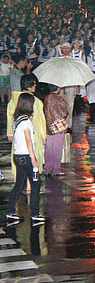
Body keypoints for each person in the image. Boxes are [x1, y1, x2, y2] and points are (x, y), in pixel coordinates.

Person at [6, 93, 45, 225]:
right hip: (26, 156)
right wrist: (33, 158)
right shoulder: (26, 121)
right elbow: (28, 140)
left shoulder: (17, 119)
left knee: (18, 185)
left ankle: (10, 211)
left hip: (17, 155)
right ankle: (35, 214)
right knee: (36, 184)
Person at [7, 74, 46, 176]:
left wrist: (10, 133)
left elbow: (10, 117)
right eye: (34, 84)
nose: (35, 86)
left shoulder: (13, 100)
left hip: (17, 134)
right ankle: (32, 180)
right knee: (33, 156)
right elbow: (40, 120)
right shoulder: (36, 101)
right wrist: (43, 136)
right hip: (33, 134)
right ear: (30, 85)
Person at [44, 85, 68, 177]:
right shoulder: (60, 99)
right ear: (58, 88)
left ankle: (48, 169)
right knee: (57, 149)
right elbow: (65, 112)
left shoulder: (46, 98)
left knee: (49, 148)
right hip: (58, 127)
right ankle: (56, 170)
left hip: (48, 126)